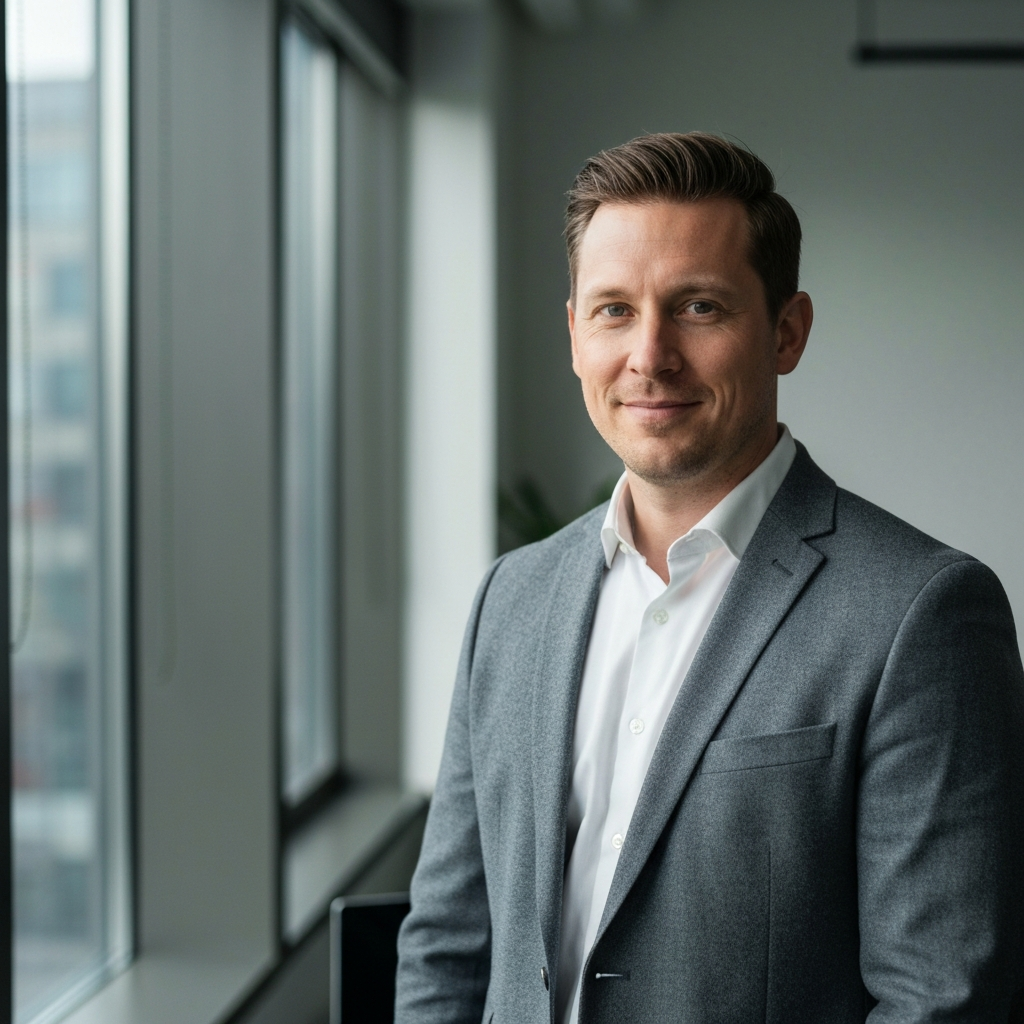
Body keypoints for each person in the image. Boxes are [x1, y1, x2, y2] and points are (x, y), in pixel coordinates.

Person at [394, 132, 1024, 1023]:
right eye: (614, 310)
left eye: (697, 307)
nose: (650, 356)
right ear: (573, 334)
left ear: (787, 332)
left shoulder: (920, 614)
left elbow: (943, 1001)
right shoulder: (512, 599)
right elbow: (447, 949)